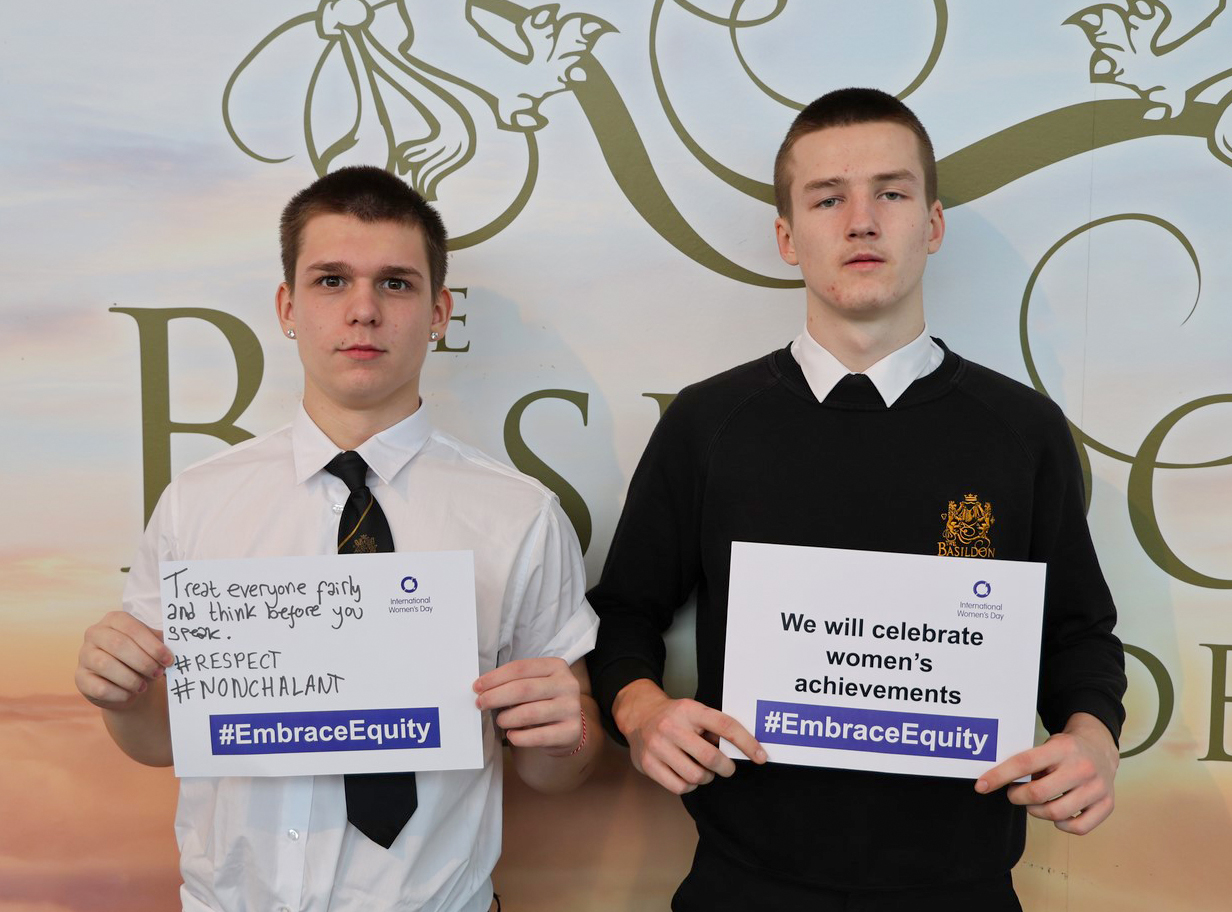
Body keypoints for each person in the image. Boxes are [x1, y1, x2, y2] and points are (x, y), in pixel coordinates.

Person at [586, 88, 1125, 911]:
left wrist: (1093, 736)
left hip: (962, 889)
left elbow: (1078, 633)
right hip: (745, 885)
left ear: (932, 225)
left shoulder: (1023, 430)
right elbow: (623, 614)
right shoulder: (708, 424)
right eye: (828, 199)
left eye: (891, 194)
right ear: (787, 237)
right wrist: (641, 710)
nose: (862, 222)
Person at [75, 165, 601, 912]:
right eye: (331, 281)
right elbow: (160, 742)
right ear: (288, 307)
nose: (363, 311)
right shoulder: (198, 503)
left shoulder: (520, 515)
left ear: (439, 311)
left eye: (396, 283)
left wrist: (568, 735)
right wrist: (122, 699)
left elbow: (564, 768)